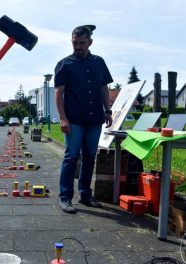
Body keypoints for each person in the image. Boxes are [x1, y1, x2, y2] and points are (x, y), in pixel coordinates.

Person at [54, 25, 113, 214]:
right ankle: (65, 197)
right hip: (74, 120)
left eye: (81, 43)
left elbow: (104, 87)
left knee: (90, 157)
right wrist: (63, 118)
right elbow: (58, 93)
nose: (78, 46)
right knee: (71, 157)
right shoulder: (65, 64)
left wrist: (108, 110)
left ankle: (86, 194)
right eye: (74, 43)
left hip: (95, 118)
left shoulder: (99, 62)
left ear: (90, 42)